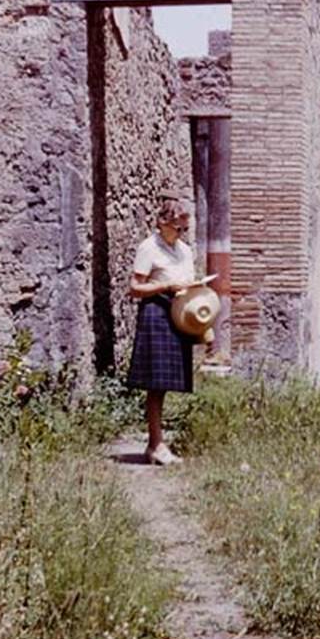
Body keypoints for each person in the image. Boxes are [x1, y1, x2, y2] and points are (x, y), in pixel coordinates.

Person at [127, 194, 196, 465]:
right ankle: (155, 444)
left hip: (179, 312)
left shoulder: (185, 250)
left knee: (167, 383)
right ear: (162, 223)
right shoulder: (149, 248)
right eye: (176, 227)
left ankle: (156, 443)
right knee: (156, 384)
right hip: (156, 311)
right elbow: (135, 288)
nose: (180, 233)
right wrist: (165, 287)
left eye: (184, 229)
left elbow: (186, 280)